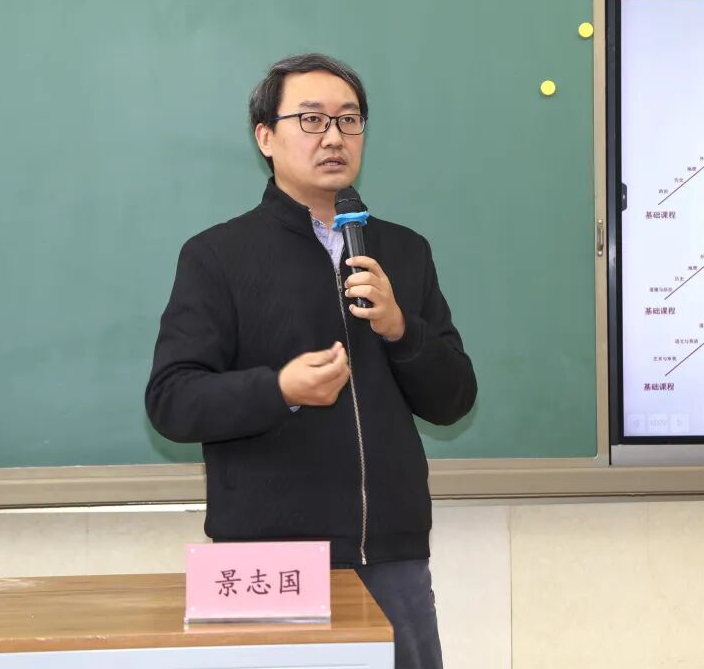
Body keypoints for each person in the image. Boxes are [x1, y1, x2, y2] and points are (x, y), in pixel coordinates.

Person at [145, 53, 477, 669]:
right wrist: (280, 390)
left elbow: (455, 399)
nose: (334, 137)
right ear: (265, 137)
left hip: (391, 556)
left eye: (350, 120)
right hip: (270, 561)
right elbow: (172, 400)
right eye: (311, 119)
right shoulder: (217, 256)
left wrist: (401, 329)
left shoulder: (404, 251)